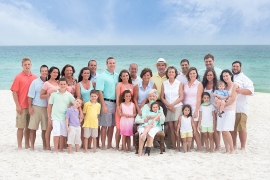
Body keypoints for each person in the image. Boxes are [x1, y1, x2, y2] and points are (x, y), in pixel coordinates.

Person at [10, 57, 38, 150]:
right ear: (22, 66)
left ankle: (27, 144)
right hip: (21, 106)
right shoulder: (18, 77)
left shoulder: (35, 77)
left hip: (31, 106)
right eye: (25, 64)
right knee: (20, 127)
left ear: (31, 65)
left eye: (28, 64)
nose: (27, 66)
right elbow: (14, 92)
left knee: (29, 127)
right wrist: (17, 105)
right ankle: (19, 146)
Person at [96, 57, 118, 150]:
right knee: (104, 125)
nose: (112, 64)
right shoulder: (102, 76)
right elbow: (99, 91)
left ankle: (110, 144)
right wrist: (103, 105)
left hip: (115, 103)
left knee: (112, 125)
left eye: (113, 63)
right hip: (106, 102)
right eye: (110, 63)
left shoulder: (117, 75)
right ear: (106, 64)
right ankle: (103, 144)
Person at [47, 78, 75, 153]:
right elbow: (49, 106)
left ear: (67, 85)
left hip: (64, 117)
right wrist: (49, 117)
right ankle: (56, 149)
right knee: (56, 133)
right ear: (58, 85)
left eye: (64, 84)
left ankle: (61, 148)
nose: (62, 85)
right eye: (61, 84)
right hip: (55, 117)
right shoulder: (54, 94)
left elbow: (75, 103)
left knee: (63, 134)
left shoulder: (69, 95)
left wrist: (70, 105)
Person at [231, 61, 254, 150]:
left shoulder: (245, 79)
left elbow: (251, 91)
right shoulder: (230, 77)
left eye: (237, 66)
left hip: (242, 108)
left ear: (241, 67)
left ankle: (243, 146)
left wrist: (240, 91)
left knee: (241, 128)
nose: (235, 68)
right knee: (232, 128)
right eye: (234, 66)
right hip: (232, 108)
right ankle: (233, 145)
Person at [136, 89, 165, 156]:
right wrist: (143, 120)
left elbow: (163, 119)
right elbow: (137, 119)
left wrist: (152, 118)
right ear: (148, 97)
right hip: (144, 125)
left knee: (151, 131)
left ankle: (147, 151)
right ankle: (140, 151)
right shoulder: (144, 107)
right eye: (150, 96)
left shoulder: (159, 108)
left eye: (153, 96)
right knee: (142, 131)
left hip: (156, 126)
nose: (152, 97)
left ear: (156, 97)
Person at [161, 66, 184, 150]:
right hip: (168, 107)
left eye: (172, 72)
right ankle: (174, 146)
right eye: (169, 72)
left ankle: (179, 146)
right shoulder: (164, 83)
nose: (171, 73)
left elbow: (181, 97)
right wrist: (168, 105)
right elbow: (162, 97)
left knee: (176, 126)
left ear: (175, 73)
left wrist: (172, 105)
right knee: (170, 128)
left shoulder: (179, 83)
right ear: (167, 73)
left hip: (177, 106)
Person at [150, 58, 171, 148]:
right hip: (156, 101)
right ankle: (156, 142)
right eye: (159, 65)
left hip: (167, 102)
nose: (161, 67)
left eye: (162, 65)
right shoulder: (153, 76)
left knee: (167, 122)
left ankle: (168, 143)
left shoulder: (169, 75)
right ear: (157, 67)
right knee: (156, 122)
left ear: (165, 66)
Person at [27, 65, 48, 150]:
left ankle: (44, 145)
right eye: (42, 71)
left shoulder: (49, 82)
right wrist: (30, 107)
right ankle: (32, 146)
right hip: (36, 107)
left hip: (46, 108)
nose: (44, 72)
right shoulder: (35, 82)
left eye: (46, 71)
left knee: (45, 129)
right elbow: (30, 96)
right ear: (40, 72)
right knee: (33, 128)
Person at [217, 69, 238, 154]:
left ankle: (232, 149)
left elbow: (233, 99)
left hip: (230, 110)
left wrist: (224, 104)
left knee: (226, 130)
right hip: (221, 110)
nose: (225, 78)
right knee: (222, 130)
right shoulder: (223, 86)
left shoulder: (235, 85)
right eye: (223, 76)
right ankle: (227, 149)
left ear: (231, 76)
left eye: (226, 76)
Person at [40, 66, 60, 150]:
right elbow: (41, 96)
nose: (55, 74)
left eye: (57, 72)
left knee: (58, 127)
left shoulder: (59, 82)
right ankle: (47, 146)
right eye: (54, 72)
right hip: (51, 107)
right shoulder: (46, 83)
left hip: (59, 108)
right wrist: (49, 94)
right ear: (50, 73)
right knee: (49, 127)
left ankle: (58, 145)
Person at [183, 67, 203, 151]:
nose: (192, 75)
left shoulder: (199, 84)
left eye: (194, 73)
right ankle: (190, 146)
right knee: (188, 128)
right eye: (190, 73)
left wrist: (196, 111)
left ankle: (199, 147)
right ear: (188, 75)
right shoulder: (185, 84)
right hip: (186, 109)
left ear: (196, 74)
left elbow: (199, 98)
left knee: (194, 129)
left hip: (194, 107)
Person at [201, 68, 220, 150]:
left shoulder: (217, 85)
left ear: (214, 76)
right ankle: (206, 145)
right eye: (208, 75)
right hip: (206, 108)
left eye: (211, 75)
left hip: (215, 108)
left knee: (215, 128)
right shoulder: (203, 85)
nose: (209, 76)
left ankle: (217, 146)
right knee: (207, 128)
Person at [115, 69, 134, 150]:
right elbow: (118, 97)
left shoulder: (132, 86)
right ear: (121, 77)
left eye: (127, 75)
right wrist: (119, 108)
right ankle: (117, 146)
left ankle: (126, 147)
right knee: (119, 128)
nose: (125, 77)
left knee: (128, 129)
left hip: (129, 108)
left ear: (129, 76)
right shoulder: (120, 84)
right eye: (123, 76)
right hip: (121, 107)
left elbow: (132, 98)